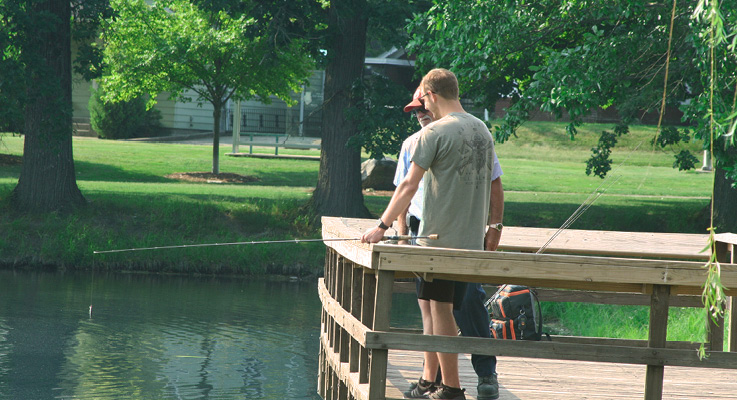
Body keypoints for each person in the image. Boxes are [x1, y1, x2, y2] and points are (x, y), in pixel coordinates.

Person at [362, 68, 498, 400]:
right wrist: (495, 226)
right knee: (443, 310)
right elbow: (497, 184)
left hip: (438, 241)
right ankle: (437, 381)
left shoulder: (433, 132)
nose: (424, 107)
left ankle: (450, 387)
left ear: (432, 95)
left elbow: (408, 185)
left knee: (439, 311)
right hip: (471, 243)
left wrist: (382, 226)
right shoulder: (482, 130)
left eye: (423, 100)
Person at [394, 86, 504, 400]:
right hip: (421, 232)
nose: (420, 114)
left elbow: (495, 183)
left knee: (468, 301)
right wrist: (401, 231)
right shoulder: (411, 144)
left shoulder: (468, 135)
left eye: (423, 107)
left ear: (436, 102)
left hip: (458, 234)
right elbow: (404, 190)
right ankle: (432, 379)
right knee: (430, 308)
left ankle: (484, 374)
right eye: (416, 111)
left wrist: (494, 225)